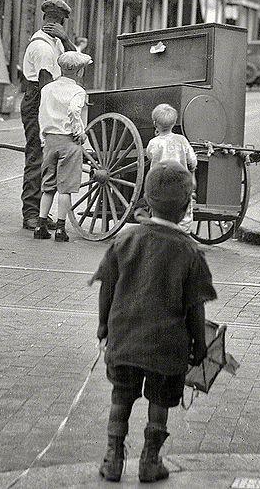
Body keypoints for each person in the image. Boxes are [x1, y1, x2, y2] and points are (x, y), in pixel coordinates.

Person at [89, 161, 216, 483]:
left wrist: (103, 326)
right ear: (188, 206)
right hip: (167, 346)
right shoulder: (190, 251)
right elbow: (195, 307)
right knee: (160, 401)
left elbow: (107, 286)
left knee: (121, 396)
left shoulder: (125, 241)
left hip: (126, 338)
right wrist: (199, 346)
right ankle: (150, 460)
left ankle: (113, 458)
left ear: (145, 199)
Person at [21, 0, 76, 230]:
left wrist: (65, 38)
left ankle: (38, 211)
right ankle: (31, 214)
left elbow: (74, 63)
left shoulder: (56, 42)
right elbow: (45, 88)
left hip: (49, 96)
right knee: (37, 157)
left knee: (45, 158)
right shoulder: (43, 47)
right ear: (58, 21)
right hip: (39, 99)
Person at [34, 51, 92, 243]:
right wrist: (79, 131)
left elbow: (41, 114)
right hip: (69, 141)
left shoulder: (47, 89)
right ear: (80, 71)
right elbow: (75, 110)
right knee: (65, 188)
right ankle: (60, 229)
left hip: (50, 140)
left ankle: (40, 226)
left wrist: (44, 136)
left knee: (48, 186)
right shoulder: (78, 91)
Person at [146, 103, 198, 234]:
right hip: (181, 182)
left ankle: (161, 232)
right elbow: (192, 161)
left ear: (154, 123)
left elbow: (149, 156)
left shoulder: (153, 143)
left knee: (160, 208)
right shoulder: (182, 140)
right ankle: (182, 234)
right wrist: (191, 169)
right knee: (184, 209)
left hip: (160, 182)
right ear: (174, 123)